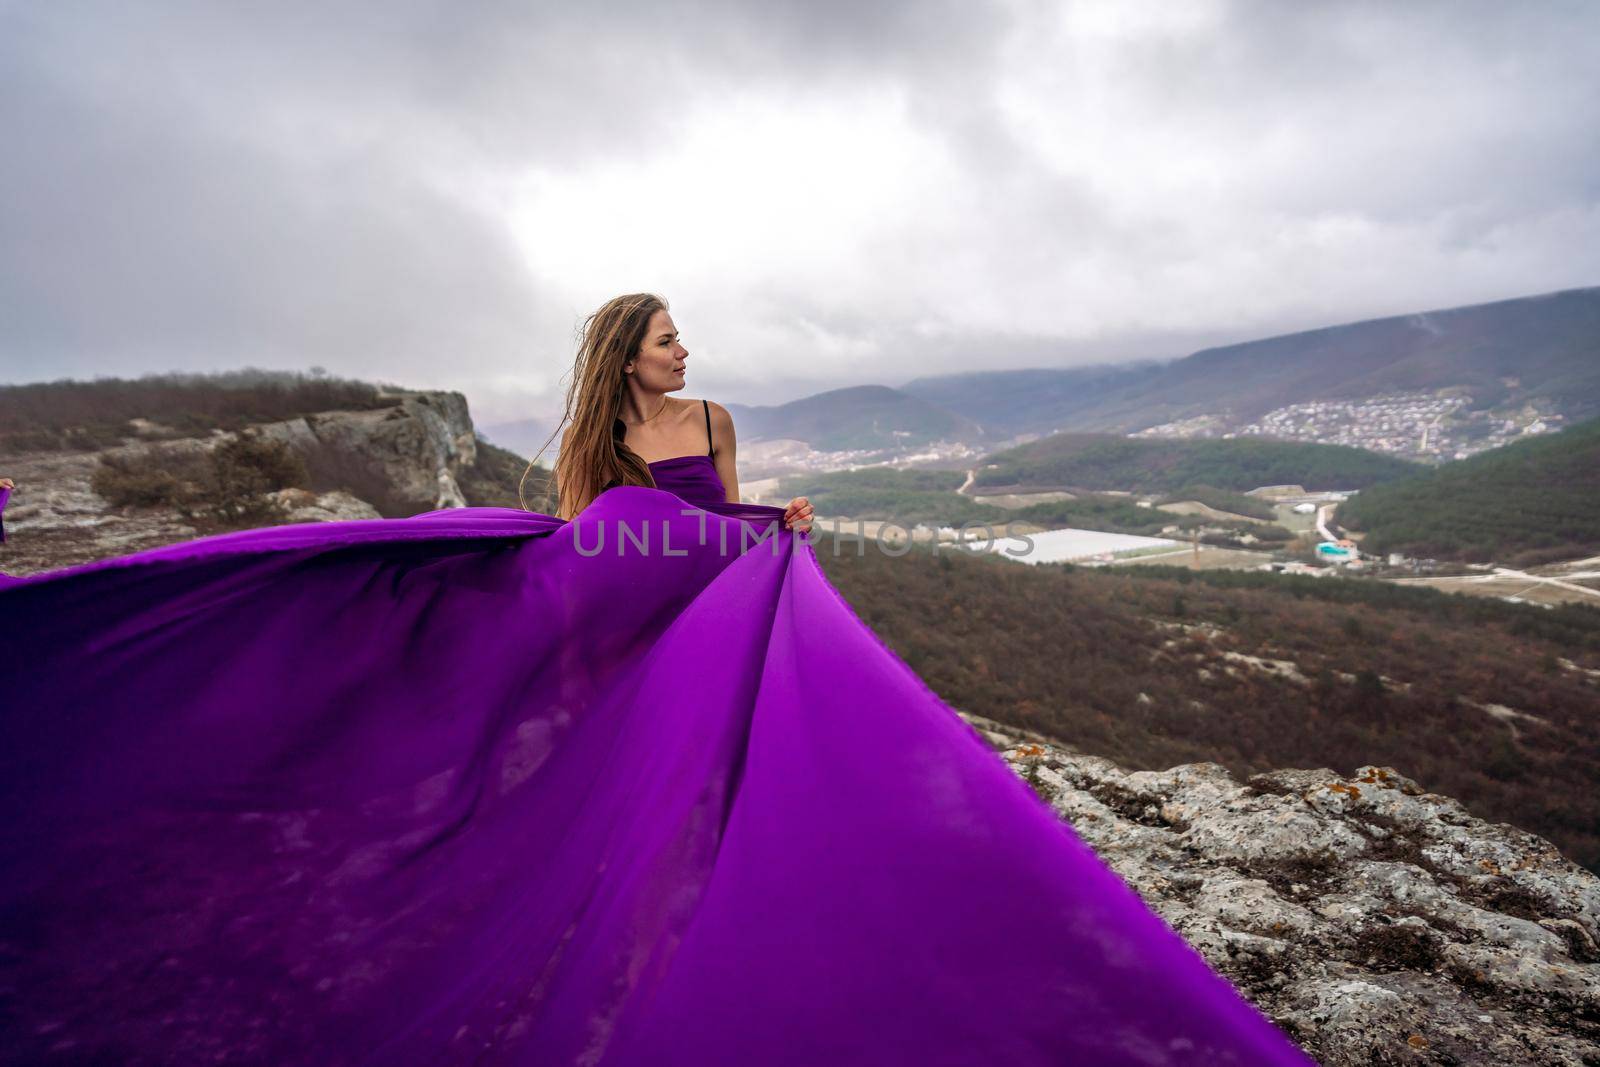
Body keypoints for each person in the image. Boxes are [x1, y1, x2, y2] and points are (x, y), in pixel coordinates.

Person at [0, 298, 1315, 1066]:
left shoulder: (712, 424)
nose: (689, 356)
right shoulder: (596, 438)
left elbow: (719, 525)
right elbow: (593, 547)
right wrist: (579, 658)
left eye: (688, 342)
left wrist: (773, 529)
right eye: (672, 341)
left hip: (714, 617)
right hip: (620, 633)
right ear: (629, 355)